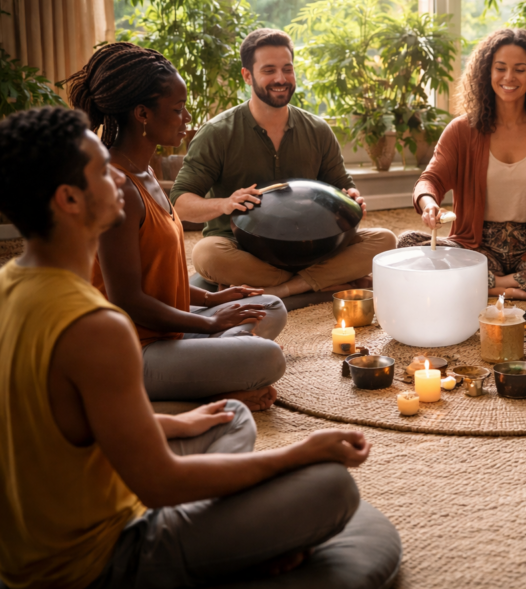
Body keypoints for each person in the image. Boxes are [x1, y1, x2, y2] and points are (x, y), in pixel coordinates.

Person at [0, 107, 374, 589]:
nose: (118, 176)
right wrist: (300, 452)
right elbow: (160, 485)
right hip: (97, 562)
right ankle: (228, 549)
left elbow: (54, 422)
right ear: (70, 198)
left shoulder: (11, 284)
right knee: (332, 488)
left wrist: (176, 421)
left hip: (41, 537)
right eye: (101, 170)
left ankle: (226, 537)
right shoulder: (97, 326)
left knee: (229, 417)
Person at [64, 42, 286, 411]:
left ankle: (201, 376)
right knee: (268, 360)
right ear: (142, 114)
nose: (187, 119)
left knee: (270, 306)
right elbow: (128, 300)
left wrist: (213, 300)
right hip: (133, 350)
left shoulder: (145, 171)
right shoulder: (116, 186)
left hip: (167, 330)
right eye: (178, 110)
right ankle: (185, 396)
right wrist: (213, 325)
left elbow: (158, 278)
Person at [171, 28, 397, 299]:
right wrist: (225, 203)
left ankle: (284, 288)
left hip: (314, 245)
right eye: (269, 70)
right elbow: (179, 203)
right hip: (243, 247)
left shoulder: (318, 129)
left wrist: (352, 200)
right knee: (205, 254)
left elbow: (344, 188)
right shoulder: (218, 132)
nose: (281, 79)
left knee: (385, 239)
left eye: (287, 69)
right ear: (247, 75)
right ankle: (328, 280)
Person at [400, 27, 526, 300]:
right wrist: (429, 204)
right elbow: (430, 180)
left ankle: (495, 286)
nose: (509, 77)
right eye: (500, 68)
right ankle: (520, 290)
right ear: (488, 72)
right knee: (405, 245)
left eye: (519, 69)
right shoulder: (462, 129)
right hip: (477, 246)